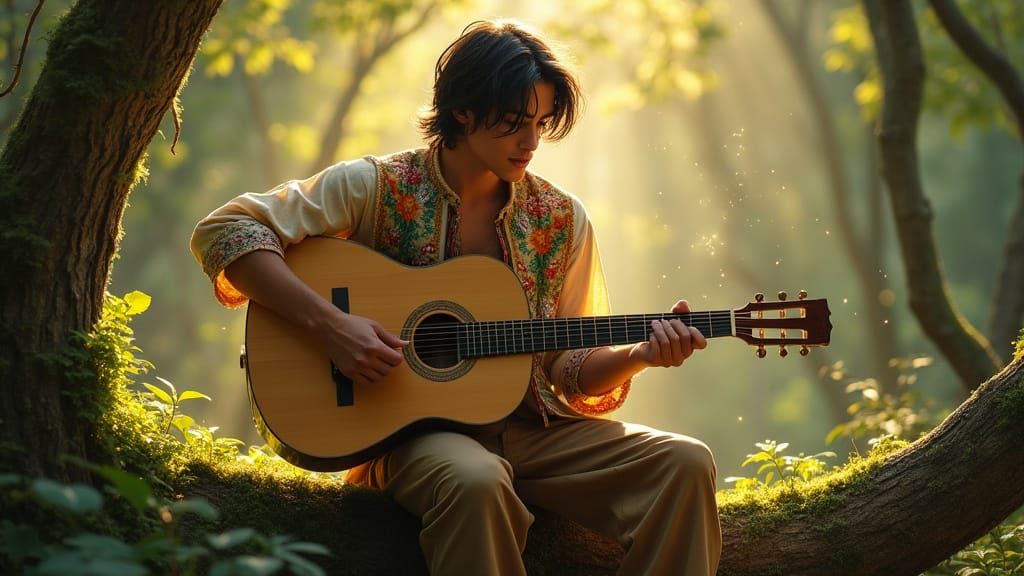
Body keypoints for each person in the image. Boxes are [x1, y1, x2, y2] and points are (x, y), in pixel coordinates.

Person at [190, 19, 721, 576]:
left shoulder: (561, 218)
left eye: (541, 123)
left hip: (536, 433)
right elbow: (226, 231)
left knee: (684, 462)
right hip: (409, 437)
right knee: (477, 480)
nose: (531, 142)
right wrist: (331, 326)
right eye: (515, 123)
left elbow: (569, 367)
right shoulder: (374, 186)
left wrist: (639, 354)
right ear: (463, 110)